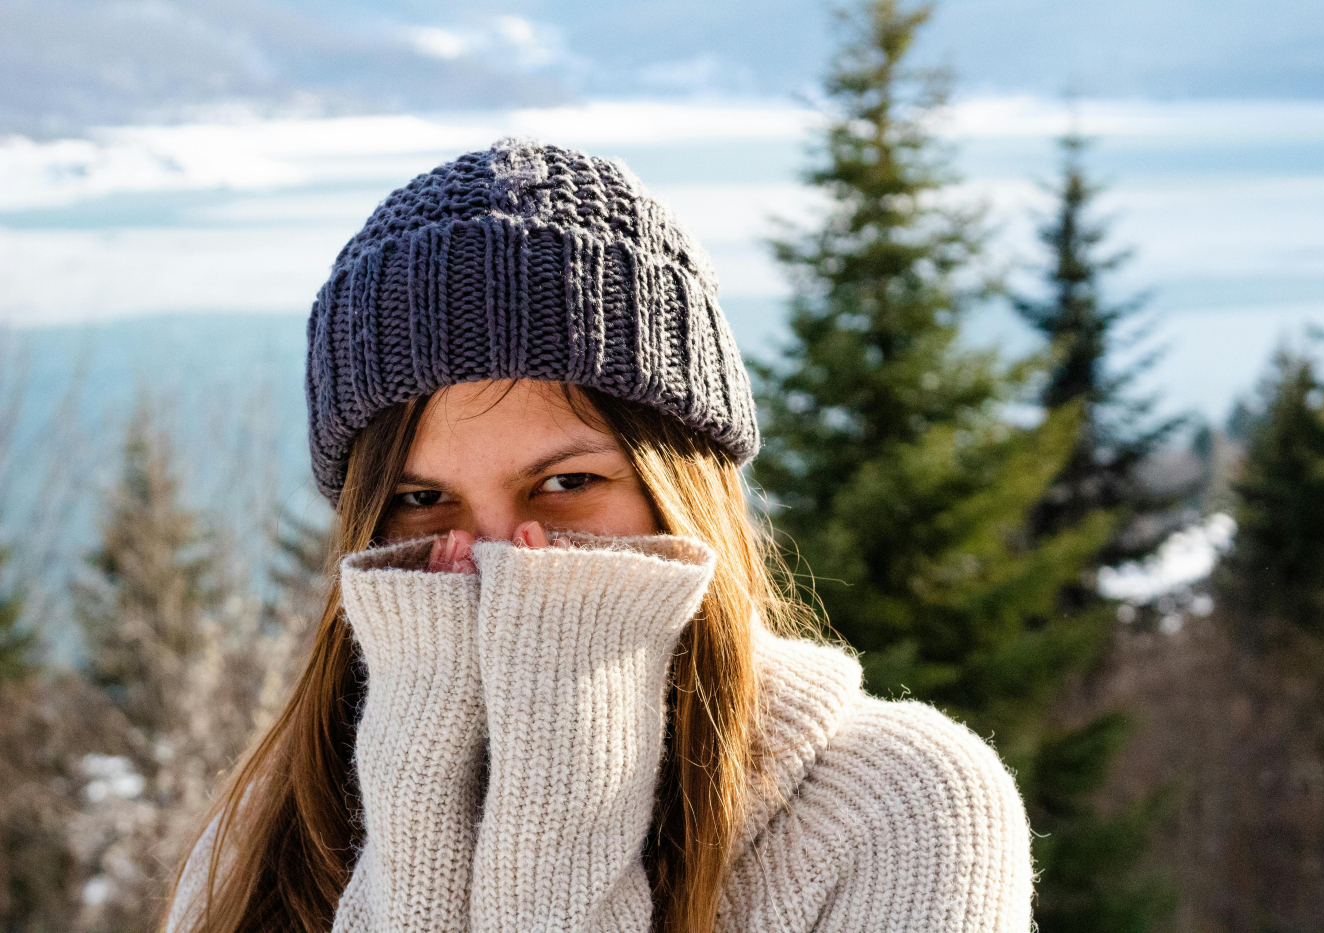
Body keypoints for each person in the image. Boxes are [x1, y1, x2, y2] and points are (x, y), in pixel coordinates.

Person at [162, 138, 1033, 933]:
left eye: (568, 482)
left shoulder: (903, 807)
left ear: (682, 486)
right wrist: (418, 815)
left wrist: (560, 797)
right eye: (422, 496)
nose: (502, 550)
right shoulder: (277, 825)